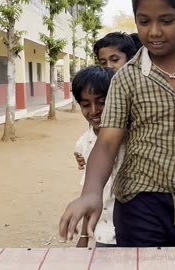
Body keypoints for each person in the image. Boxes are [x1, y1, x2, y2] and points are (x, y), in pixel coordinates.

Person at [59, 0, 175, 247]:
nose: (154, 31)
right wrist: (91, 192)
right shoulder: (126, 77)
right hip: (139, 207)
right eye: (144, 21)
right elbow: (106, 142)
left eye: (166, 21)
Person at [72, 66, 122, 248]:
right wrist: (84, 235)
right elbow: (90, 191)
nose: (94, 110)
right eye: (85, 105)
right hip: (103, 235)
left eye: (102, 102)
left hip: (135, 230)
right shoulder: (84, 144)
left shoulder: (133, 138)